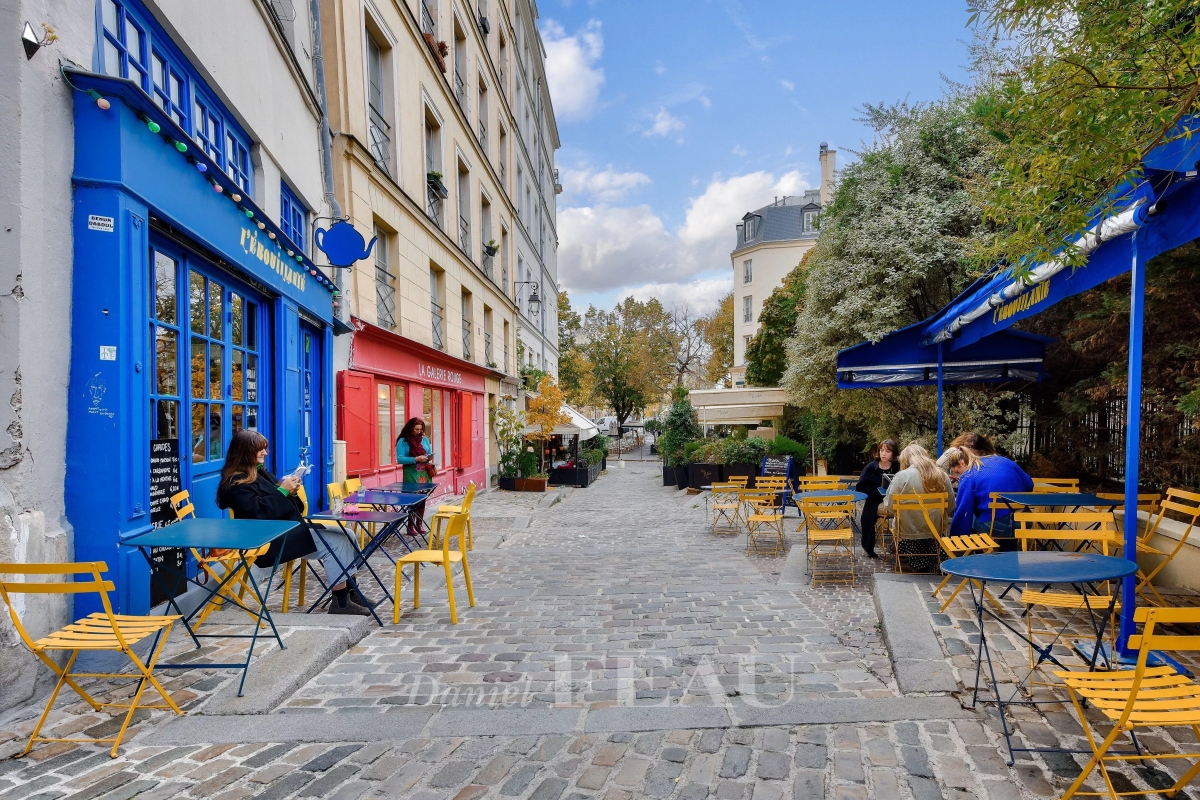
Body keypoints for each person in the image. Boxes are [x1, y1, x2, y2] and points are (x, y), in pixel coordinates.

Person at [217, 429, 368, 615]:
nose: (265, 453)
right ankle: (341, 602)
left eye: (265, 449)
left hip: (285, 529)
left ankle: (351, 592)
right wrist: (282, 491)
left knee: (348, 534)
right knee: (337, 542)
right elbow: (259, 513)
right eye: (259, 450)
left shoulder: (260, 473)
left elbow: (292, 508)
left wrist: (291, 492)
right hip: (268, 539)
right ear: (244, 452)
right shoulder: (235, 483)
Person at [947, 431, 1033, 550]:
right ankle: (1009, 556)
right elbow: (1029, 485)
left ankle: (971, 554)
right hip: (1023, 521)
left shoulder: (971, 472)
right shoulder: (1007, 462)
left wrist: (955, 538)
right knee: (1007, 522)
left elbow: (963, 510)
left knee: (971, 517)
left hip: (994, 525)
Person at [883, 442, 954, 572]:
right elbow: (950, 507)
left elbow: (889, 506)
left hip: (907, 530)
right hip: (935, 531)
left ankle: (910, 560)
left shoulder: (902, 476)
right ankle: (932, 560)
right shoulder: (943, 476)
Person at [855, 439, 899, 558]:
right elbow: (860, 486)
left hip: (894, 499)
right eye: (881, 450)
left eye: (887, 451)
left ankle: (900, 546)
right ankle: (869, 548)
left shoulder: (898, 467)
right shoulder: (870, 468)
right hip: (873, 499)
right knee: (867, 519)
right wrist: (874, 492)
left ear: (893, 453)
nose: (883, 453)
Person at [395, 417, 436, 536]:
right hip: (411, 472)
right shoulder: (403, 441)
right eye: (416, 429)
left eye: (421, 429)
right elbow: (400, 459)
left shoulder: (425, 439)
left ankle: (419, 524)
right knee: (412, 499)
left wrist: (429, 457)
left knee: (422, 498)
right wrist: (415, 459)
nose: (419, 432)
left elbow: (429, 452)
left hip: (424, 472)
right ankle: (410, 526)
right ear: (410, 428)